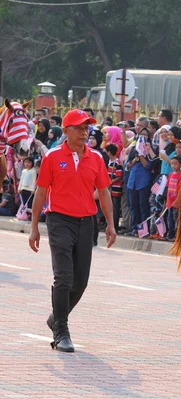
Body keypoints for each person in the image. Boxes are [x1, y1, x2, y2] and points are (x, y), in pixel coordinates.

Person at [28, 109, 116, 353]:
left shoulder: (97, 158)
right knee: (63, 276)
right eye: (79, 128)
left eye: (86, 128)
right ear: (65, 131)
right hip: (59, 221)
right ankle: (61, 332)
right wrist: (34, 227)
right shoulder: (53, 157)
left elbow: (105, 192)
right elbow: (41, 193)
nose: (84, 132)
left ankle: (56, 316)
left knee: (81, 281)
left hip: (86, 222)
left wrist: (110, 223)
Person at [166, 156, 181, 240]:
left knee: (177, 219)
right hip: (170, 202)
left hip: (177, 203)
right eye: (172, 164)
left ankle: (177, 235)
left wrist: (177, 201)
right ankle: (170, 234)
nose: (173, 166)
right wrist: (167, 201)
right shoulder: (171, 175)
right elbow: (168, 189)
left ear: (180, 165)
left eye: (175, 164)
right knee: (170, 219)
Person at [106, 144, 123, 231]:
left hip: (116, 188)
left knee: (115, 208)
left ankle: (115, 225)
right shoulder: (109, 162)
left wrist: (111, 182)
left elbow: (119, 176)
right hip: (110, 188)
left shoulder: (117, 163)